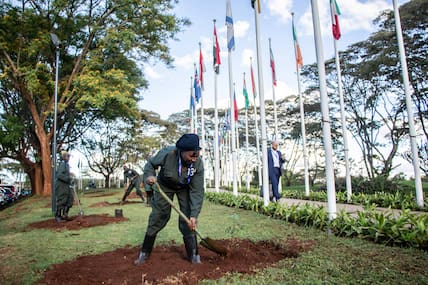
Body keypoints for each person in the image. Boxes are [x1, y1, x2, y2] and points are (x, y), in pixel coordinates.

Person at [134, 133, 205, 265]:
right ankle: (144, 253)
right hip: (164, 185)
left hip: (184, 187)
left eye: (197, 155)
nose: (194, 159)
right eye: (191, 155)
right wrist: (149, 177)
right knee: (159, 215)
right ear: (182, 152)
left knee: (188, 217)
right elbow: (150, 165)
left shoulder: (198, 164)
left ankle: (194, 256)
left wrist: (194, 215)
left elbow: (197, 191)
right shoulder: (167, 153)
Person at [55, 150, 74, 222]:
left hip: (66, 185)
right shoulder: (62, 164)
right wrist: (68, 178)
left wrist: (70, 178)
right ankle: (58, 216)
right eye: (67, 156)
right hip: (61, 186)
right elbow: (59, 175)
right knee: (62, 200)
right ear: (64, 157)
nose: (69, 158)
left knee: (70, 199)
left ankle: (65, 214)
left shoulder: (66, 165)